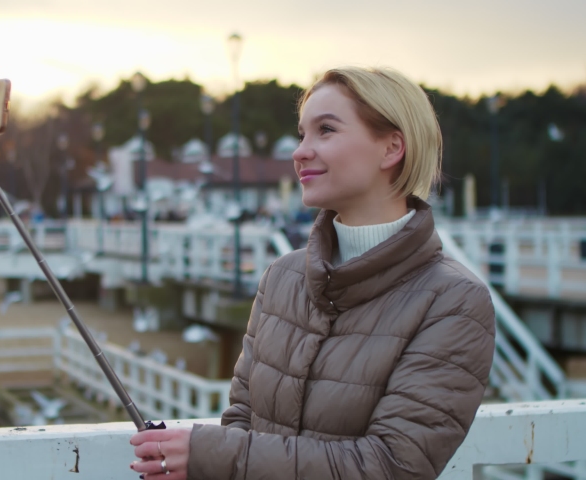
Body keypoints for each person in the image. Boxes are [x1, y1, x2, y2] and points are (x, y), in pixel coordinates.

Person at [129, 66, 496, 479]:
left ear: (392, 148)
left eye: (326, 130)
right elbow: (242, 425)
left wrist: (209, 454)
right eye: (302, 134)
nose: (299, 151)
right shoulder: (282, 277)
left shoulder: (454, 301)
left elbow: (394, 466)